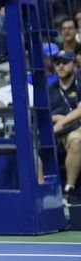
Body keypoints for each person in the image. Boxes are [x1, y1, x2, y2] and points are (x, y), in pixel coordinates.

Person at [48, 50, 81, 205]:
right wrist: (55, 118)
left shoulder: (79, 83)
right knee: (35, 144)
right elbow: (40, 113)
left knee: (77, 142)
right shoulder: (50, 88)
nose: (60, 66)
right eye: (57, 62)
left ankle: (69, 190)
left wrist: (64, 121)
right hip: (53, 129)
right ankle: (43, 190)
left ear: (74, 65)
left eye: (65, 62)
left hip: (74, 128)